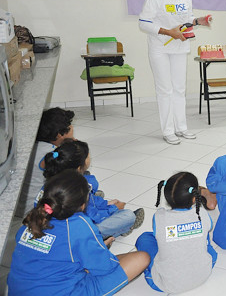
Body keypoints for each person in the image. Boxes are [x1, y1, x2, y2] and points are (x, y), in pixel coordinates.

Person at [8, 170, 149, 295]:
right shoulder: (78, 224)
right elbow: (105, 267)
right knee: (141, 258)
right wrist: (100, 248)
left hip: (17, 290)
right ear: (83, 204)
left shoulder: (33, 217)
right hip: (63, 290)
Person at [138, 0, 212, 145]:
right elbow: (144, 23)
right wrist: (167, 32)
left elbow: (187, 19)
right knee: (165, 90)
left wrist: (198, 21)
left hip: (180, 47)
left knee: (179, 89)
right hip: (160, 48)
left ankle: (181, 127)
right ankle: (168, 130)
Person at [40, 140, 144, 240]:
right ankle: (115, 232)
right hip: (77, 231)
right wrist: (113, 208)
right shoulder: (78, 188)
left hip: (58, 226)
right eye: (87, 156)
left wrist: (106, 203)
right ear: (79, 168)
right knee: (128, 216)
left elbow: (90, 204)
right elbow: (92, 217)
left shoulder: (51, 183)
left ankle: (119, 228)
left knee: (97, 197)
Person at [135, 172, 217, 293]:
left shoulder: (159, 217)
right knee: (207, 244)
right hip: (203, 274)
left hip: (166, 284)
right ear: (195, 198)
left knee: (144, 238)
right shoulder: (202, 214)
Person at [17, 107, 75, 216]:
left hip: (20, 206)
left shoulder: (35, 146)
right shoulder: (53, 154)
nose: (72, 128)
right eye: (70, 126)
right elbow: (72, 176)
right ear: (59, 134)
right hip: (36, 209)